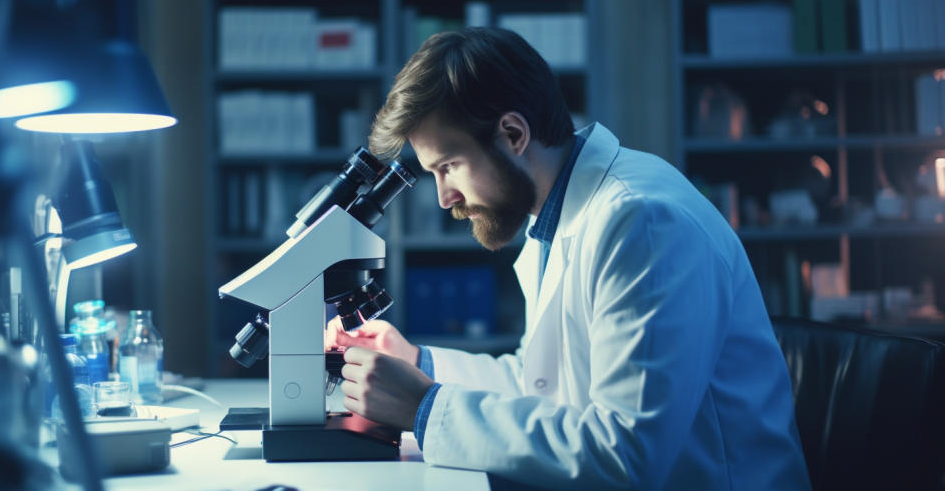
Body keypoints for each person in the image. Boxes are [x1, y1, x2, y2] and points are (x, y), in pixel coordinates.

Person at [325, 27, 811, 490]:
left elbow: (625, 452)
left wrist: (424, 408)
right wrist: (416, 363)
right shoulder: (558, 213)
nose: (444, 198)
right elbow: (544, 384)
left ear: (514, 134)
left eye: (449, 166)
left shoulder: (642, 222)